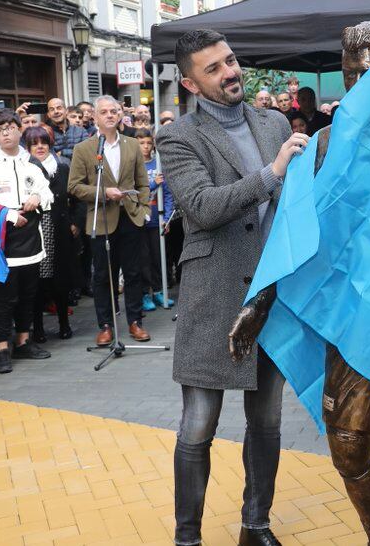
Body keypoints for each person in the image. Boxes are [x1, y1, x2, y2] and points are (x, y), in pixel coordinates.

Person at [157, 29, 301, 546]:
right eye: (214, 68)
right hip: (213, 295)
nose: (230, 72)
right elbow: (203, 207)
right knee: (198, 426)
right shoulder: (178, 137)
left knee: (266, 423)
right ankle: (187, 538)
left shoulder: (274, 122)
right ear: (191, 83)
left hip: (270, 298)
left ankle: (255, 525)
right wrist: (274, 171)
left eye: (231, 61)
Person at [67, 96, 152, 344]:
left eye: (114, 111)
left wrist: (144, 208)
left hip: (130, 216)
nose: (110, 115)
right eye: (104, 112)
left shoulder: (132, 144)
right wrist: (104, 193)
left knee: (134, 273)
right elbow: (74, 186)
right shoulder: (84, 149)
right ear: (94, 117)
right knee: (103, 274)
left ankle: (135, 321)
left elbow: (142, 181)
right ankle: (105, 325)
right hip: (101, 219)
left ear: (120, 114)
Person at [0, 109, 54, 374]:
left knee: (28, 295)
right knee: (3, 298)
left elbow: (47, 192)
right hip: (1, 242)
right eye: (0, 129)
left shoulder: (31, 160)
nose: (6, 133)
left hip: (31, 239)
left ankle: (23, 340)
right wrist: (8, 215)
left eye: (10, 127)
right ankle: (1, 347)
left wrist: (37, 198)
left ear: (20, 129)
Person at [23, 126, 77, 342]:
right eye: (34, 143)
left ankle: (64, 323)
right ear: (27, 148)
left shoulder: (63, 168)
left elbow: (75, 197)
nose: (40, 147)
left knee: (60, 281)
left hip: (60, 230)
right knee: (35, 283)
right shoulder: (25, 169)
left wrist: (75, 222)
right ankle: (38, 329)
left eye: (43, 143)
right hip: (33, 231)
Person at [137, 128, 175, 310]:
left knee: (157, 258)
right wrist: (153, 183)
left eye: (148, 143)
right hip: (140, 220)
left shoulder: (157, 165)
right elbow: (136, 193)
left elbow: (167, 194)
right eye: (141, 143)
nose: (145, 147)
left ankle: (159, 291)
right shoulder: (134, 166)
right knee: (142, 259)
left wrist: (166, 218)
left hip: (156, 220)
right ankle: (145, 294)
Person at [46, 97, 90, 162]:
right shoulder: (45, 133)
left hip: (79, 169)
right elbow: (48, 155)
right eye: (52, 109)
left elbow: (86, 152)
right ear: (48, 114)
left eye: (59, 108)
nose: (56, 111)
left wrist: (63, 152)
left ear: (66, 111)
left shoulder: (81, 131)